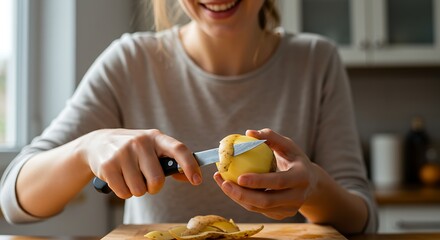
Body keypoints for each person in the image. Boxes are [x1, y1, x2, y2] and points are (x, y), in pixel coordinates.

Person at [0, 0, 377, 235]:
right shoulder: (130, 62)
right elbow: (14, 200)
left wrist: (312, 191)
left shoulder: (316, 61)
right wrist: (86, 149)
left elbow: (362, 221)